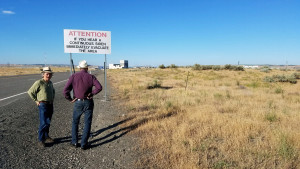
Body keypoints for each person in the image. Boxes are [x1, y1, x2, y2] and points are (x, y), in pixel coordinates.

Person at [63, 60, 102, 150]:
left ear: (79, 68)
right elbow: (99, 87)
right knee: (87, 122)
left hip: (78, 102)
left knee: (75, 122)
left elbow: (65, 91)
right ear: (87, 68)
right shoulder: (91, 77)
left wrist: (70, 99)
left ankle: (74, 142)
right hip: (88, 101)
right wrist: (92, 93)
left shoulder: (73, 76)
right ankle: (84, 144)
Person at [28, 67, 55, 148]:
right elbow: (30, 92)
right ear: (43, 74)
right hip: (42, 104)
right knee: (43, 122)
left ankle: (46, 136)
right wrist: (36, 101)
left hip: (50, 104)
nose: (48, 75)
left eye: (50, 74)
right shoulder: (39, 82)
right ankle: (40, 140)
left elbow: (53, 91)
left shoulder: (50, 83)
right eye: (47, 74)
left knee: (48, 121)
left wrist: (52, 99)